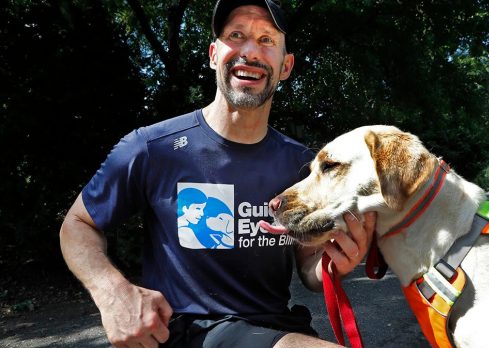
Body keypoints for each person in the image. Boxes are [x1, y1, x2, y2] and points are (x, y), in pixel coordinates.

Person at [59, 0, 377, 347]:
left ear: (286, 66)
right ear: (213, 54)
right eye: (236, 35)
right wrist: (113, 293)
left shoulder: (302, 164)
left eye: (267, 40)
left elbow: (308, 264)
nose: (250, 51)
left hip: (275, 327)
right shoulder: (152, 147)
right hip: (184, 332)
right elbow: (76, 225)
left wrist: (334, 264)